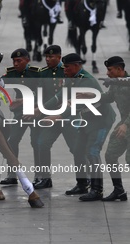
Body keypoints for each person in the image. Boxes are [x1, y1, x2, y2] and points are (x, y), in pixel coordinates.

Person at [42, 53, 116, 201]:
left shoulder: (86, 81)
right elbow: (61, 95)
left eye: (67, 67)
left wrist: (58, 117)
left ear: (77, 66)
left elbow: (75, 105)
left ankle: (97, 190)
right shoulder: (73, 79)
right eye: (64, 67)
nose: (65, 70)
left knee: (92, 151)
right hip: (88, 118)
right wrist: (41, 109)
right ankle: (82, 183)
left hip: (101, 120)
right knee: (78, 149)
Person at [32, 45, 85, 190]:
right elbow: (40, 94)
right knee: (42, 144)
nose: (48, 60)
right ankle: (46, 179)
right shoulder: (43, 73)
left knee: (76, 148)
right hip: (51, 117)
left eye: (51, 57)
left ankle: (84, 181)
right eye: (46, 57)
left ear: (59, 57)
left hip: (68, 117)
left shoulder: (68, 71)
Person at [80, 56, 129, 201]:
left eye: (110, 70)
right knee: (110, 155)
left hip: (127, 124)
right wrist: (92, 95)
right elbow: (109, 97)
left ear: (119, 69)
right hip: (124, 125)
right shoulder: (116, 83)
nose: (107, 73)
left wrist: (126, 124)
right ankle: (119, 190)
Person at [0, 48, 40, 185]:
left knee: (36, 142)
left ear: (27, 61)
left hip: (35, 112)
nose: (16, 64)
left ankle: (40, 176)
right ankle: (12, 174)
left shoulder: (36, 73)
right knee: (12, 141)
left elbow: (42, 93)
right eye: (14, 61)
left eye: (19, 61)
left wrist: (21, 101)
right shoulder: (12, 73)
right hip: (20, 114)